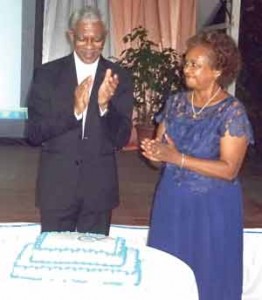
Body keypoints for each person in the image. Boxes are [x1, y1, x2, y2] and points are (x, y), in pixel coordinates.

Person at [141, 30, 254, 300]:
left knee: (209, 277)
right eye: (186, 62)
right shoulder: (175, 103)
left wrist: (176, 158)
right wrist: (155, 155)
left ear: (217, 71)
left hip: (212, 210)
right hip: (172, 203)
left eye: (195, 64)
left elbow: (229, 170)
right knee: (169, 274)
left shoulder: (232, 111)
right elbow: (161, 157)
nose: (186, 69)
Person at [27, 6, 134, 235]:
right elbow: (34, 134)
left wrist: (105, 106)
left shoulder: (118, 77)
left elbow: (122, 138)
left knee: (94, 266)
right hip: (56, 189)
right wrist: (74, 111)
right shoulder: (46, 75)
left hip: (99, 191)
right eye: (82, 38)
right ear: (70, 36)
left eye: (96, 40)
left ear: (104, 38)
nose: (89, 46)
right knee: (55, 262)